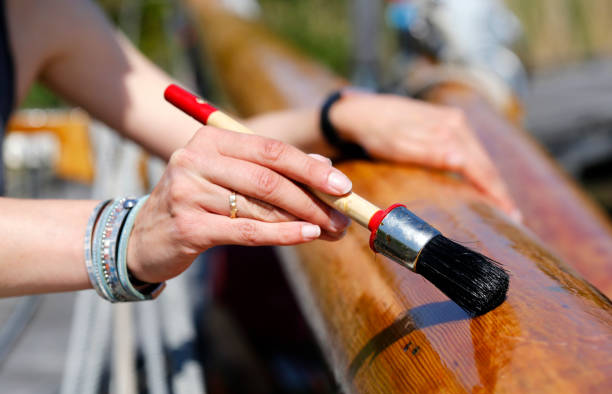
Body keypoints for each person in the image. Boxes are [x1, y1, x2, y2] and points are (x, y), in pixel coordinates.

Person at [0, 0, 519, 299]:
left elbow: (214, 137)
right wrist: (130, 237)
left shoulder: (41, 11)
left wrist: (337, 118)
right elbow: (159, 208)